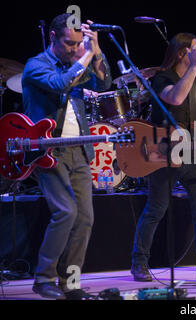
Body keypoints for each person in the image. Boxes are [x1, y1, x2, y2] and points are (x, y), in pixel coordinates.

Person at [131, 33, 196, 282]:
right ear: (182, 53)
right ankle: (139, 262)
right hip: (166, 152)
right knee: (156, 208)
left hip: (195, 150)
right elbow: (176, 97)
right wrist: (193, 67)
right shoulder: (163, 78)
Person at [22, 13, 112, 299]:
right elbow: (61, 84)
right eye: (69, 43)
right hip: (49, 151)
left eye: (78, 44)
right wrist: (84, 56)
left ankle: (70, 282)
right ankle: (44, 278)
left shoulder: (76, 62)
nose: (75, 49)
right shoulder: (36, 65)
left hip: (79, 148)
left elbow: (104, 83)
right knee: (66, 212)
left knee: (84, 218)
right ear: (52, 37)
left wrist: (96, 54)